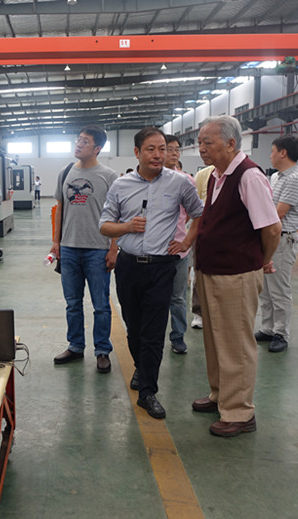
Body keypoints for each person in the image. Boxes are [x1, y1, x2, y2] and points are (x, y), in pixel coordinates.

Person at [100, 127, 203, 419]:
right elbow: (104, 225)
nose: (158, 155)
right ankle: (141, 367)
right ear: (137, 152)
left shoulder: (180, 182)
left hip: (161, 267)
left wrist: (186, 242)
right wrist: (127, 227)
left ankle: (148, 391)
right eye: (151, 149)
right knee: (134, 328)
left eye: (162, 149)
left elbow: (199, 213)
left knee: (154, 332)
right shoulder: (121, 186)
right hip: (129, 266)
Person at [190, 115, 281, 437]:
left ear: (231, 143)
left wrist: (261, 261)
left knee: (236, 343)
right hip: (213, 270)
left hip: (237, 273)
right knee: (216, 338)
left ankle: (240, 412)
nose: (202, 148)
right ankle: (221, 396)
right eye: (200, 143)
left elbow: (271, 228)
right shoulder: (217, 175)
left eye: (208, 142)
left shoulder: (249, 176)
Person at [51, 125, 119, 374]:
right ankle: (76, 346)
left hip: (97, 249)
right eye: (78, 140)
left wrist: (113, 248)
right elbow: (60, 209)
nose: (79, 144)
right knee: (72, 303)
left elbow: (118, 214)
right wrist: (56, 242)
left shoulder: (109, 176)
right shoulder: (65, 172)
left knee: (101, 305)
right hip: (69, 248)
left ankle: (102, 350)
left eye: (85, 141)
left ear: (97, 148)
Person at [255, 135, 298, 353]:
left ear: (283, 153)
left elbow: (279, 212)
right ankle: (268, 328)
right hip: (268, 236)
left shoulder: (295, 178)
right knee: (265, 288)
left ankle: (281, 333)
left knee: (279, 288)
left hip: (283, 238)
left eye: (273, 151)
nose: (270, 155)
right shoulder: (276, 177)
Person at [164, 134, 197, 354]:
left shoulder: (187, 180)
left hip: (178, 252)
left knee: (177, 298)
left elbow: (196, 213)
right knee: (155, 299)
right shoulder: (150, 180)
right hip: (154, 252)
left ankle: (177, 337)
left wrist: (185, 240)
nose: (174, 153)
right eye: (170, 149)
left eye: (177, 149)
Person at [190, 161, 215, 330]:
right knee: (199, 273)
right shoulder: (203, 175)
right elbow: (196, 207)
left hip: (227, 234)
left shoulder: (240, 174)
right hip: (204, 232)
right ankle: (198, 312)